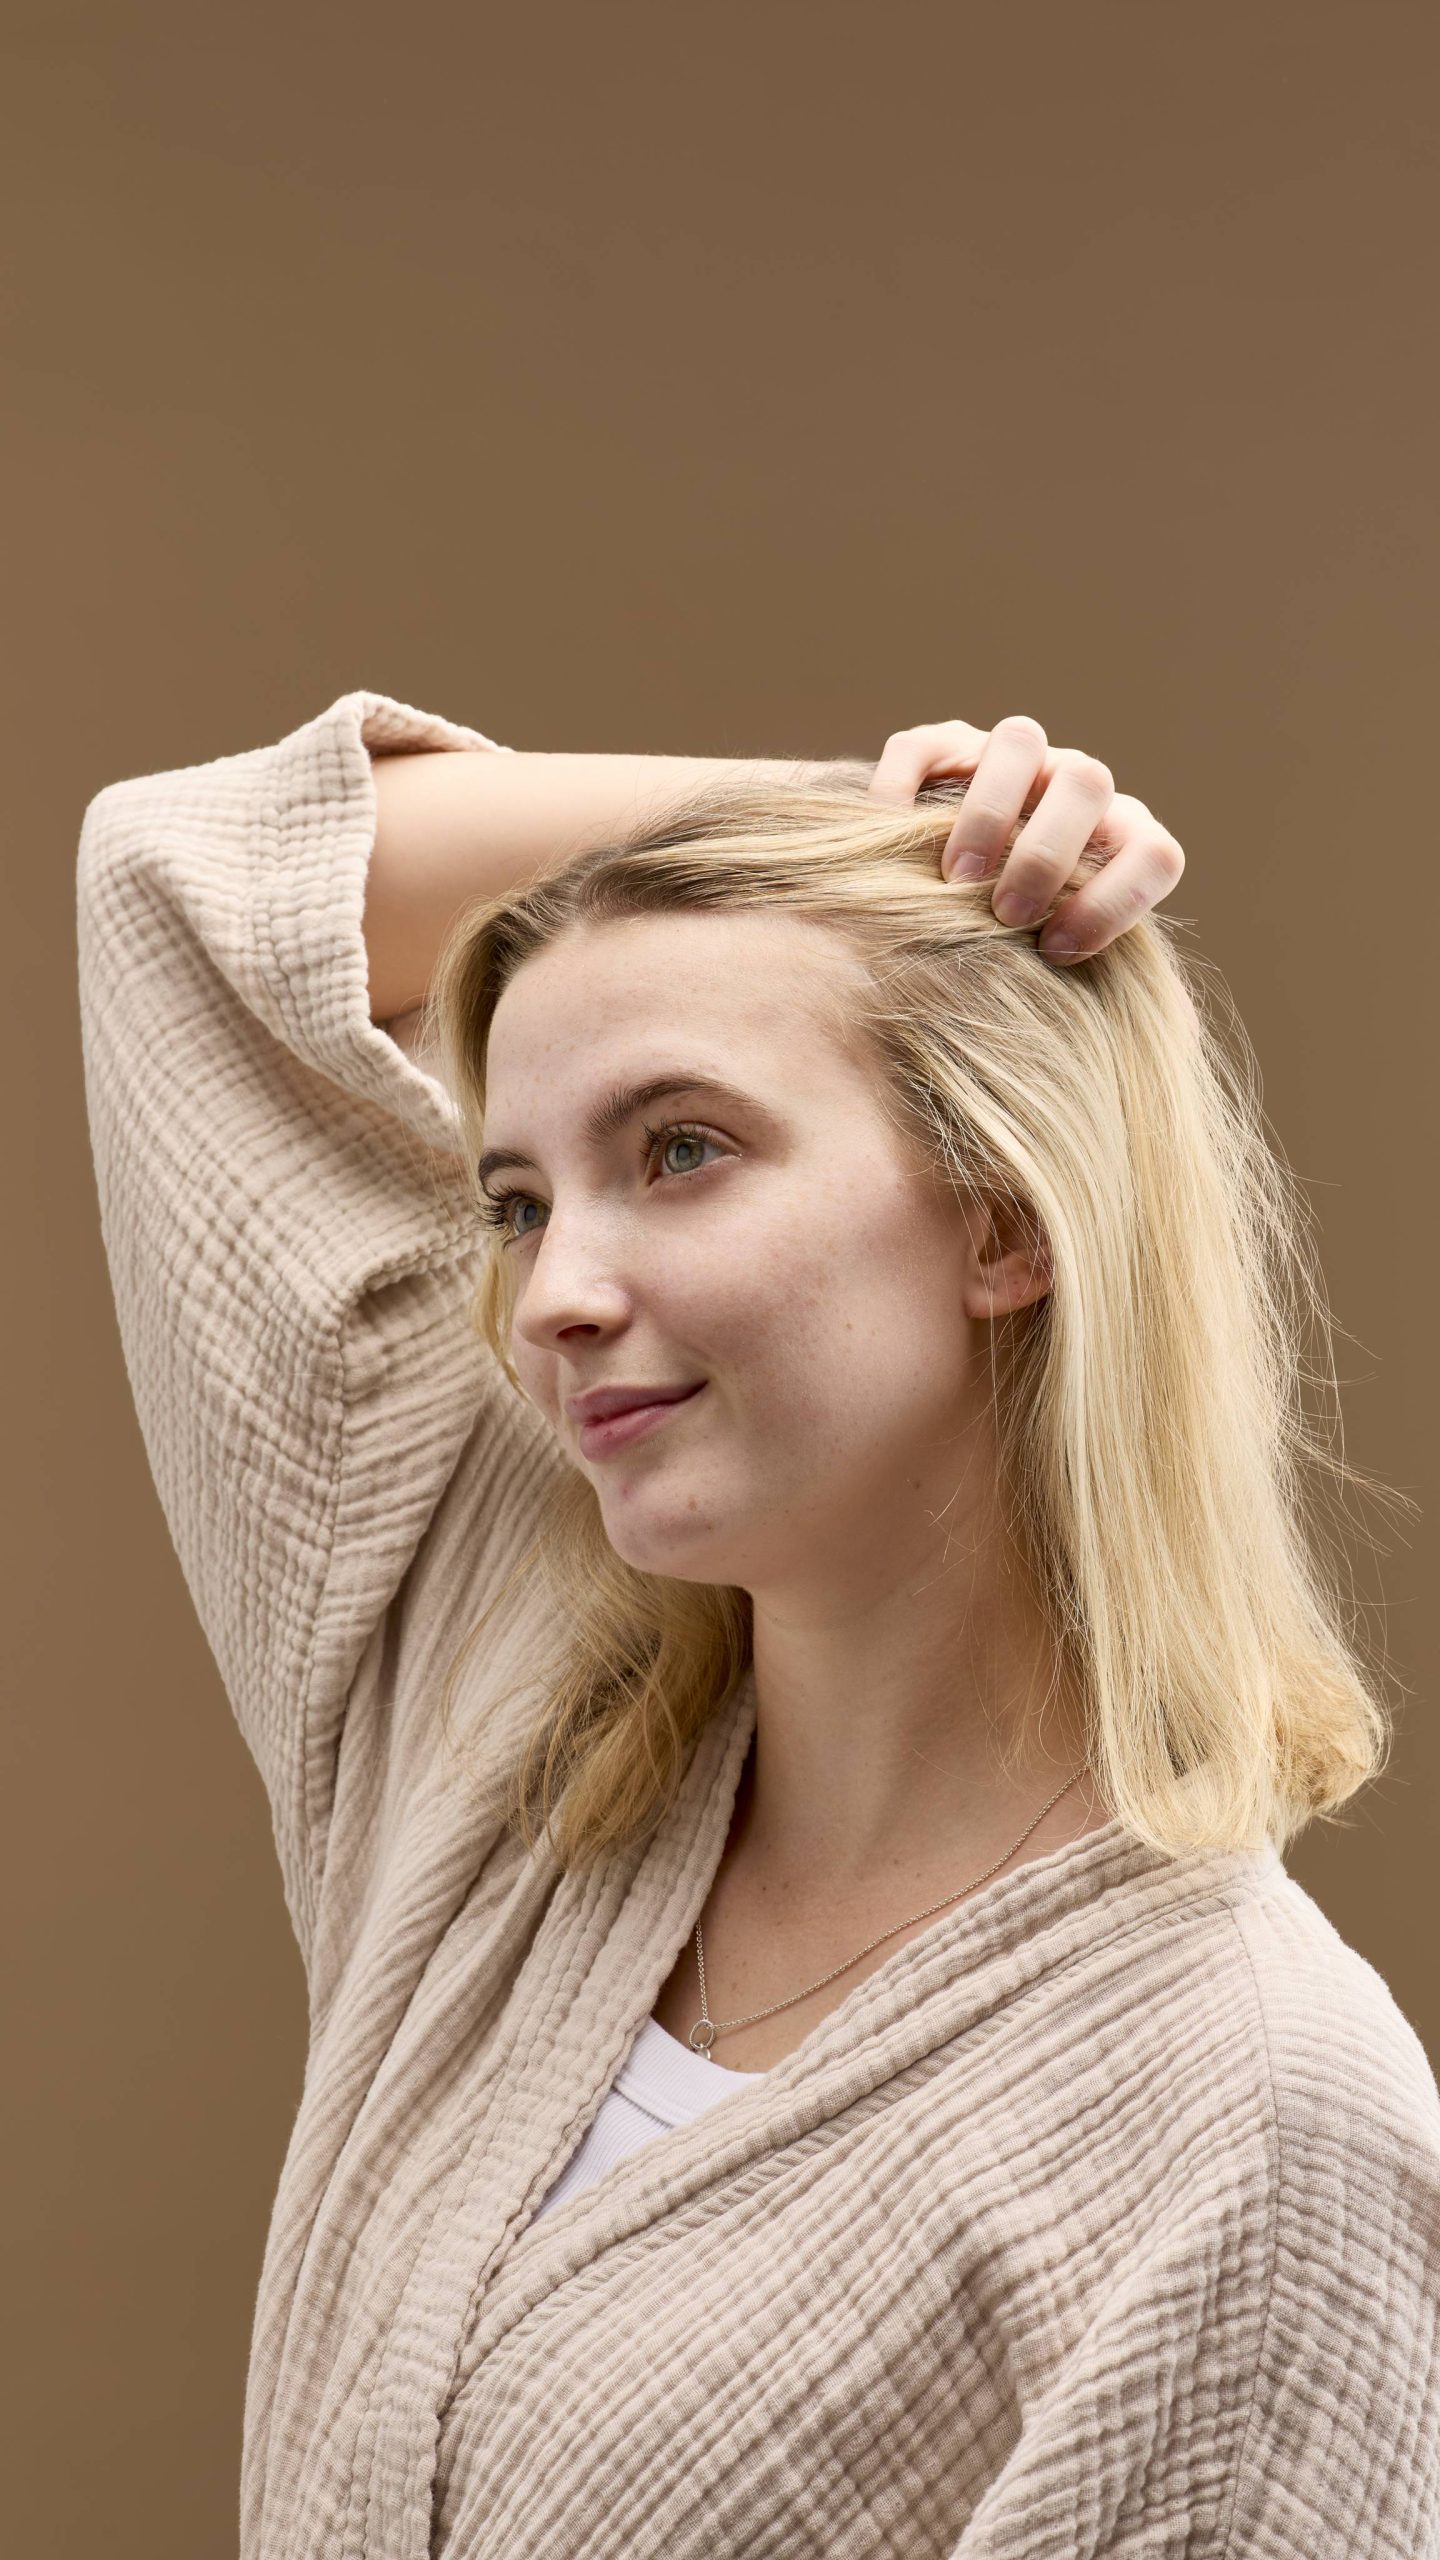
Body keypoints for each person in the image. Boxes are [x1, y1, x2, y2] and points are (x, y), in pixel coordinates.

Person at [76, 695, 1440, 2558]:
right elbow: (180, 882)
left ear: (1004, 1216)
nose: (553, 1295)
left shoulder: (1256, 2119)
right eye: (516, 1201)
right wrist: (871, 820)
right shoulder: (507, 1746)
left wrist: (924, 893)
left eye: (682, 1150)